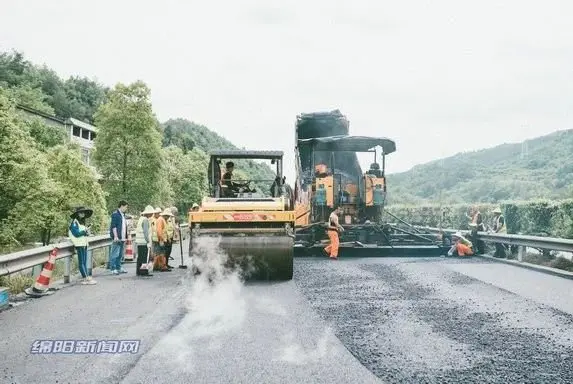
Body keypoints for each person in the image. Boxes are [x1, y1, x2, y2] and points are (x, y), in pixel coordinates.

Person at [69, 206, 97, 285]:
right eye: (81, 212)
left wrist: (86, 232)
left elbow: (83, 233)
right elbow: (76, 233)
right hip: (79, 244)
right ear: (77, 214)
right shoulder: (74, 222)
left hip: (84, 243)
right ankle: (86, 278)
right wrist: (84, 232)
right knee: (81, 262)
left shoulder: (82, 222)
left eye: (83, 212)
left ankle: (86, 277)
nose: (83, 214)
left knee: (84, 261)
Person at [109, 200, 129, 275]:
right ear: (122, 206)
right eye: (126, 207)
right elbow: (113, 226)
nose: (126, 208)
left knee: (120, 254)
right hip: (117, 238)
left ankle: (118, 267)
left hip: (123, 237)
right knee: (115, 253)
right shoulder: (115, 214)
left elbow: (124, 226)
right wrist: (115, 236)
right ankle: (113, 268)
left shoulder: (123, 215)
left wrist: (126, 236)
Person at [135, 205, 155, 276]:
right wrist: (148, 241)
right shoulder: (145, 220)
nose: (152, 214)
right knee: (144, 257)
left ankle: (139, 271)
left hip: (139, 241)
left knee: (140, 257)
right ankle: (144, 271)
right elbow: (146, 232)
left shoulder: (141, 219)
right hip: (143, 241)